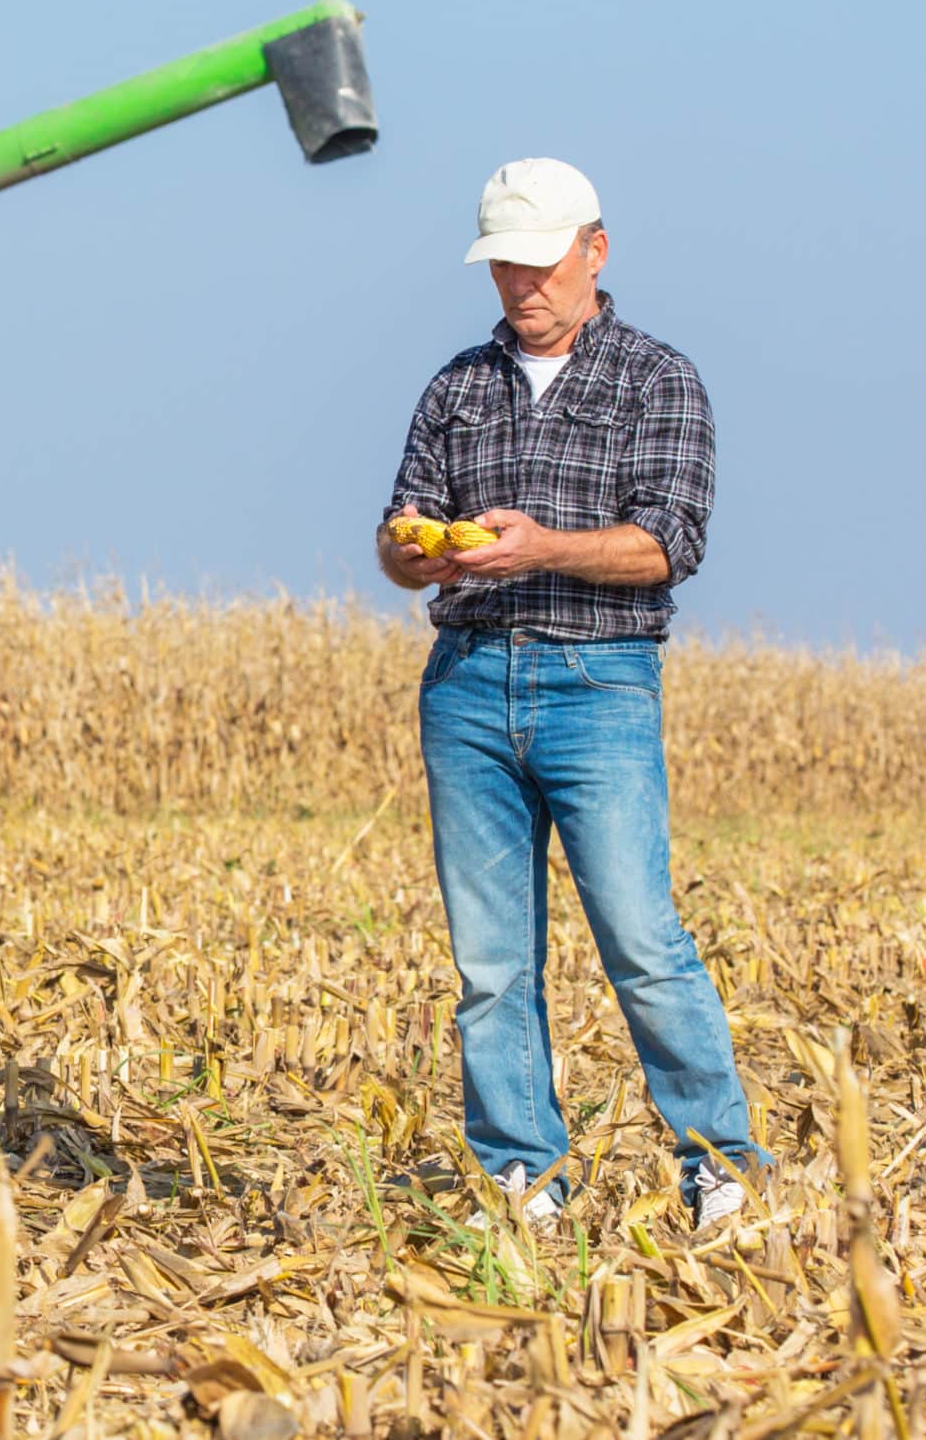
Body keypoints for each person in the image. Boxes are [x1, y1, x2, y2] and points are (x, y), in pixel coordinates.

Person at [379, 157, 765, 1235]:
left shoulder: (657, 379)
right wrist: (414, 553)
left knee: (640, 939)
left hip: (597, 683)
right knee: (490, 962)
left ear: (594, 250)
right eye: (502, 265)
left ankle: (716, 1164)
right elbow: (398, 526)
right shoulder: (455, 386)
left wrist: (540, 549)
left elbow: (667, 545)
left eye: (539, 263)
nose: (520, 285)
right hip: (463, 687)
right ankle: (523, 1178)